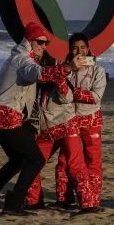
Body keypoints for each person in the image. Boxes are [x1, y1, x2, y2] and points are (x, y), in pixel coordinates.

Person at [0, 22, 70, 215]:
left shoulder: (19, 57)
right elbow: (39, 74)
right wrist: (68, 67)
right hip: (6, 117)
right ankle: (14, 203)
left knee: (18, 160)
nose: (44, 46)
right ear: (30, 41)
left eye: (46, 43)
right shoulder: (23, 60)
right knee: (36, 159)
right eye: (41, 42)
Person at [24, 50, 95, 212]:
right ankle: (34, 201)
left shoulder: (58, 76)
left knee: (75, 165)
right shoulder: (36, 82)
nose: (39, 68)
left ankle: (88, 204)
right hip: (47, 129)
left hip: (66, 125)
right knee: (32, 164)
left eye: (41, 65)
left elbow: (67, 97)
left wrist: (58, 77)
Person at [55, 32, 107, 213]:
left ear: (88, 48)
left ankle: (92, 200)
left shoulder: (98, 70)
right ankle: (64, 198)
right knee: (65, 160)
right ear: (70, 49)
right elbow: (60, 95)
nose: (80, 51)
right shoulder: (65, 69)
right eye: (75, 48)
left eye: (83, 47)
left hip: (91, 119)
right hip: (69, 118)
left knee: (93, 161)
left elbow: (96, 97)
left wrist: (73, 92)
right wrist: (69, 69)